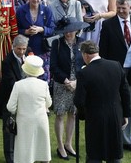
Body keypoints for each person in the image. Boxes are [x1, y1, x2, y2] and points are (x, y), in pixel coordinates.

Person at [99, 0, 131, 153]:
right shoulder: (108, 25)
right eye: (118, 8)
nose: (120, 10)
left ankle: (128, 140)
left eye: (123, 8)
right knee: (115, 105)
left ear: (130, 8)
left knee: (130, 105)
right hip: (115, 71)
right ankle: (114, 139)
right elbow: (103, 50)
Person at [74, 40, 131, 163]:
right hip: (115, 115)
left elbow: (79, 101)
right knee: (114, 153)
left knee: (95, 153)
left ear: (85, 54)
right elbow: (125, 93)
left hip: (95, 118)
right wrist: (126, 114)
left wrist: (82, 115)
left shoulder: (84, 73)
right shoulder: (116, 65)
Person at [50, 17, 88, 160]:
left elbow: (86, 63)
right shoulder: (56, 43)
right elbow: (53, 66)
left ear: (76, 30)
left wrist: (77, 82)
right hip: (62, 84)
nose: (68, 34)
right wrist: (66, 81)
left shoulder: (82, 42)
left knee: (73, 114)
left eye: (71, 31)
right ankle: (60, 146)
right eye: (65, 31)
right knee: (60, 115)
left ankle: (68, 144)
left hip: (77, 84)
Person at [6, 55, 52, 163]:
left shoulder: (18, 85)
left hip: (24, 122)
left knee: (25, 152)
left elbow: (10, 107)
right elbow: (49, 103)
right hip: (41, 121)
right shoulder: (44, 85)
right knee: (42, 149)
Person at [0, 34, 29, 163]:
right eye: (19, 49)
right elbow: (11, 83)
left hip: (25, 100)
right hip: (10, 100)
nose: (22, 51)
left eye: (24, 49)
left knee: (23, 128)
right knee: (9, 128)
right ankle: (10, 157)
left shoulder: (29, 56)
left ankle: (21, 154)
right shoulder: (7, 61)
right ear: (13, 47)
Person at [16, 0, 56, 82]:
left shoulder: (46, 10)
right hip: (26, 49)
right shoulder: (21, 11)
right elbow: (15, 28)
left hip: (42, 49)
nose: (36, 0)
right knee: (26, 77)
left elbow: (52, 29)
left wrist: (41, 29)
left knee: (42, 78)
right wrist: (26, 31)